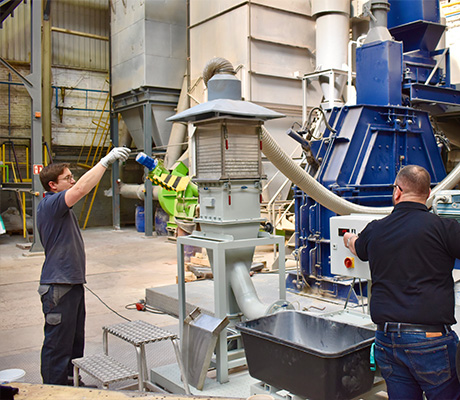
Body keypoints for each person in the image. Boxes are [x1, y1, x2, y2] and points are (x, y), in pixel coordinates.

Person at [343, 164, 460, 399]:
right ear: (428, 195)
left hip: (387, 340)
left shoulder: (375, 230)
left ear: (397, 191)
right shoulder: (445, 229)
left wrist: (348, 238)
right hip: (431, 341)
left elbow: (358, 247)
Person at [37, 147, 131, 386]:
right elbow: (81, 189)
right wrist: (105, 161)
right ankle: (54, 391)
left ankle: (71, 385)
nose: (73, 181)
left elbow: (79, 187)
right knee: (57, 345)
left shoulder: (61, 209)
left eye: (72, 176)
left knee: (73, 343)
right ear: (52, 186)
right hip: (59, 286)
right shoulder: (51, 205)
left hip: (72, 284)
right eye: (67, 178)